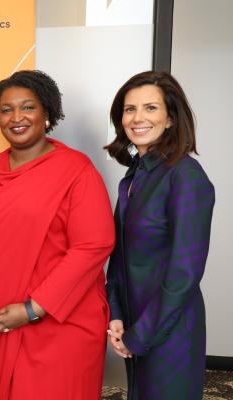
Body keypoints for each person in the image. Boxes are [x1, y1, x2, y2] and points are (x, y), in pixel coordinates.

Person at [0, 70, 115, 399]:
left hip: (58, 325)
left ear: (47, 113)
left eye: (28, 107)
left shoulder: (76, 170)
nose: (17, 117)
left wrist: (33, 309)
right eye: (6, 110)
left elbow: (93, 246)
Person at [104, 71, 215, 399]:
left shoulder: (185, 176)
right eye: (129, 109)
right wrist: (117, 313)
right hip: (135, 324)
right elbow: (120, 256)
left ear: (170, 119)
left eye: (150, 108)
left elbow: (184, 274)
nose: (137, 118)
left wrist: (143, 334)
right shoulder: (134, 176)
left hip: (171, 329)